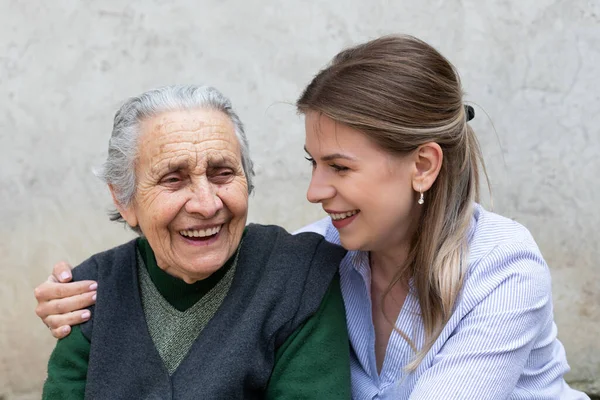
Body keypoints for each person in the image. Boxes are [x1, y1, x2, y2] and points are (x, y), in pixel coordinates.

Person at [35, 35, 589, 399]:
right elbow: (230, 258)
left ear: (422, 165)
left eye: (340, 167)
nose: (314, 190)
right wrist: (74, 297)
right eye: (313, 163)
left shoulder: (503, 271)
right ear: (123, 199)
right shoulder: (319, 257)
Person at [37, 85, 351, 399]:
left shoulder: (299, 276)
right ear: (124, 199)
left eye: (222, 173)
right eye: (173, 179)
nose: (206, 204)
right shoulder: (89, 293)